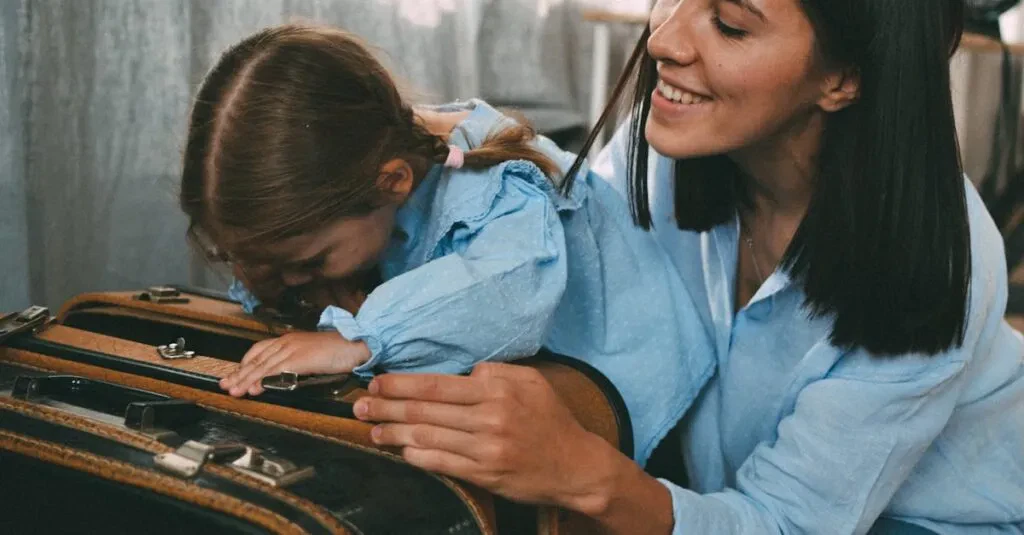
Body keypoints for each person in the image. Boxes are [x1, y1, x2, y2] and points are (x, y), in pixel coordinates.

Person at [350, 0, 1024, 533]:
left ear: (843, 79)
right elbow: (562, 241)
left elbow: (784, 524)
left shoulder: (938, 261)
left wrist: (583, 472)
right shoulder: (672, 150)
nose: (663, 38)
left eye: (730, 24)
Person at [178, 24, 716, 468]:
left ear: (392, 183)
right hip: (547, 381)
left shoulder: (498, 187)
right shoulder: (371, 155)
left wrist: (361, 339)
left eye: (310, 262)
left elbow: (511, 296)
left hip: (639, 393)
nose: (296, 278)